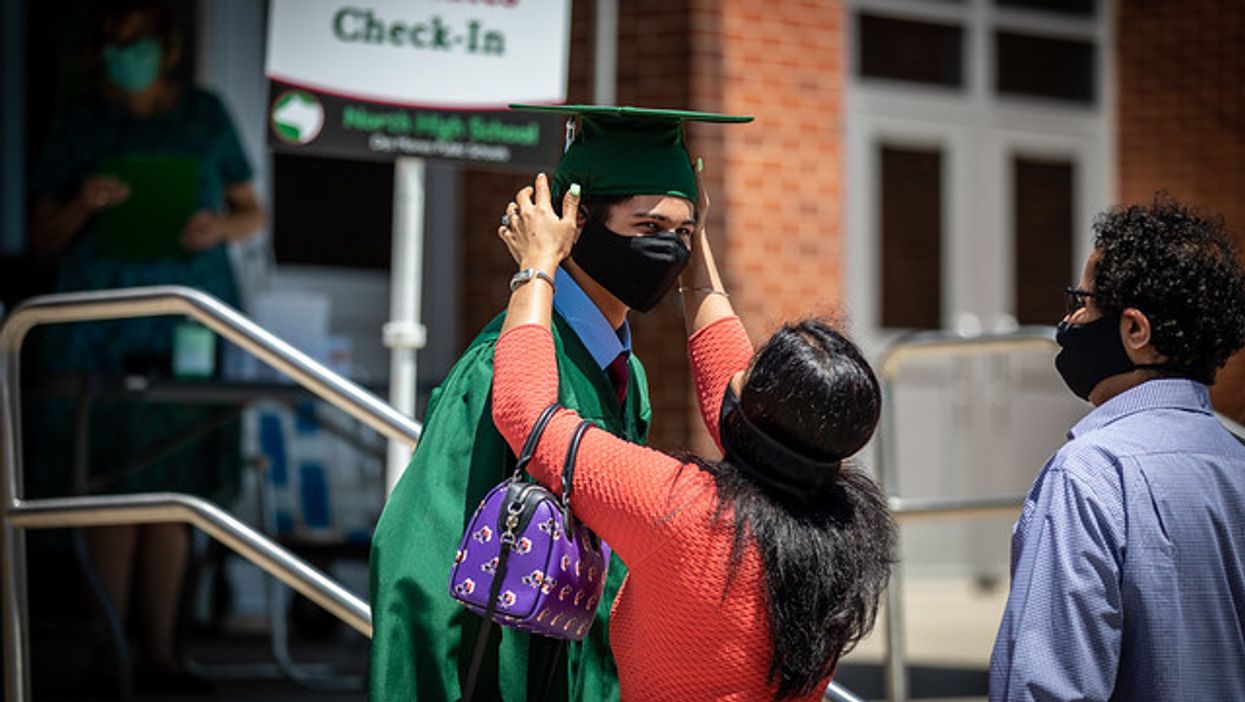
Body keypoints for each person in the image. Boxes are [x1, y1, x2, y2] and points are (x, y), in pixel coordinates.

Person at [367, 106, 750, 702]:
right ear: (577, 223)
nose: (670, 250)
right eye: (648, 228)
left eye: (683, 232)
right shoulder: (502, 365)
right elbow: (418, 562)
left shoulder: (627, 372)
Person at [489, 172, 896, 700]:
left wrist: (536, 267)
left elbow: (527, 415)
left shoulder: (683, 508)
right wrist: (692, 240)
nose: (735, 372)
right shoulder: (843, 519)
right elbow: (733, 386)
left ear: (749, 419)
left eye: (750, 374)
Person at [26, 0, 262, 694]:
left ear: (167, 48)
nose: (123, 57)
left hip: (184, 322)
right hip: (101, 326)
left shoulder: (204, 113)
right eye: (112, 45)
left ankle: (160, 652)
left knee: (173, 489)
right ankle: (110, 651)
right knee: (109, 486)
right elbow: (41, 233)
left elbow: (252, 211)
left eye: (135, 43)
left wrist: (214, 228)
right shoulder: (80, 121)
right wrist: (84, 207)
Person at [989, 198, 1245, 701]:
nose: (1072, 320)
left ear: (1135, 330)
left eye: (1082, 302)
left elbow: (1048, 686)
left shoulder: (1089, 476)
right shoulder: (1237, 463)